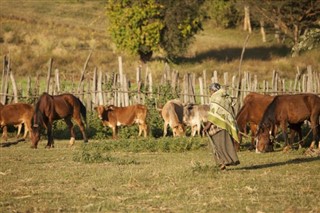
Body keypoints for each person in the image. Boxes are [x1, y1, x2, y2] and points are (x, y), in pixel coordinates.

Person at [204, 83, 240, 170]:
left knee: (217, 145)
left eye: (210, 90)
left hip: (217, 125)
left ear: (213, 90)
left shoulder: (216, 97)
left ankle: (222, 163)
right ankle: (230, 160)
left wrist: (207, 125)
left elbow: (214, 113)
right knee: (226, 143)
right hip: (226, 124)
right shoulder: (225, 96)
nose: (210, 92)